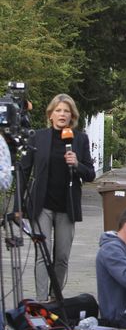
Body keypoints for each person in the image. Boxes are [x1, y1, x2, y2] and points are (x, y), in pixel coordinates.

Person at [20, 94, 95, 302]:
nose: (62, 114)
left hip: (66, 205)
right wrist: (19, 204)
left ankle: (56, 299)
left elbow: (90, 174)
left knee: (61, 257)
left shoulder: (79, 139)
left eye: (66, 111)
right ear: (51, 114)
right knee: (42, 255)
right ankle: (42, 301)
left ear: (72, 116)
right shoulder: (38, 137)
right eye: (58, 110)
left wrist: (77, 164)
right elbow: (24, 171)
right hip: (42, 205)